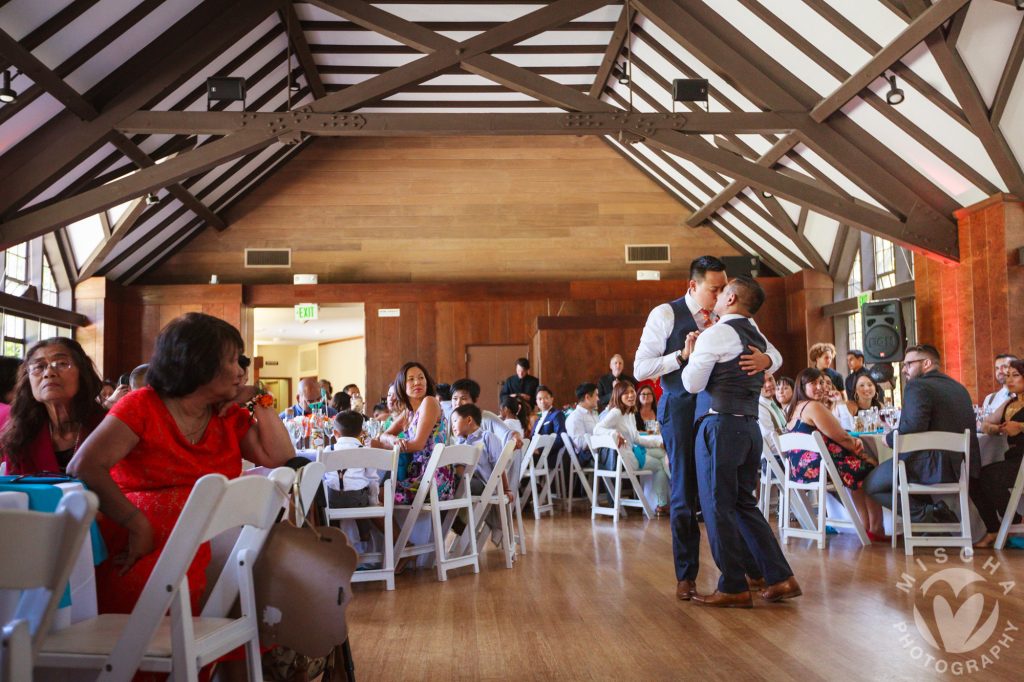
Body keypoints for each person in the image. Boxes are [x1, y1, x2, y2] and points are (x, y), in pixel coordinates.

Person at [68, 312, 295, 615]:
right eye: (233, 359)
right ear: (199, 363)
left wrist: (260, 396)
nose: (242, 370)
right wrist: (136, 525)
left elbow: (279, 456)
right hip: (143, 543)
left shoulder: (224, 415)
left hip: (213, 542)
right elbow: (84, 465)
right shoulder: (142, 406)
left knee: (262, 582)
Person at [634, 255, 777, 601]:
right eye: (715, 290)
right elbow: (641, 369)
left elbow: (772, 351)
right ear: (692, 286)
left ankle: (747, 572)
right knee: (684, 491)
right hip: (681, 407)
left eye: (724, 289)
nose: (721, 296)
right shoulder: (665, 314)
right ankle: (687, 576)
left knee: (725, 493)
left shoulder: (731, 318)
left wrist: (768, 360)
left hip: (719, 414)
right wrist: (681, 357)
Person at [681, 275, 799, 607]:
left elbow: (692, 384)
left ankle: (732, 585)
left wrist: (692, 353)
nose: (716, 297)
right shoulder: (756, 334)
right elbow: (775, 356)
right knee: (744, 504)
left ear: (732, 299)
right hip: (749, 427)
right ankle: (781, 577)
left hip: (719, 426)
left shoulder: (716, 334)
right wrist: (769, 361)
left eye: (722, 293)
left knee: (717, 507)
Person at [862, 345, 993, 532]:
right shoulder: (958, 387)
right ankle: (931, 518)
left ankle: (934, 517)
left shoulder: (917, 386)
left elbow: (914, 426)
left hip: (930, 465)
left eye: (908, 364)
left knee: (871, 485)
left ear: (927, 363)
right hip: (962, 464)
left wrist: (889, 439)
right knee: (900, 474)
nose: (904, 369)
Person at [784, 368, 884, 540]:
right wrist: (857, 448)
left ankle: (866, 526)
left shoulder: (794, 408)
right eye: (813, 383)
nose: (820, 387)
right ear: (802, 386)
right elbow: (842, 437)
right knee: (871, 468)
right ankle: (876, 528)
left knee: (858, 470)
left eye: (821, 382)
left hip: (798, 470)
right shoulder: (813, 406)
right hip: (819, 468)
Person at [0, 338, 106, 475]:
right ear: (28, 380)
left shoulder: (108, 426)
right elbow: (13, 492)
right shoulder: (21, 435)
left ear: (82, 372)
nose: (49, 373)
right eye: (39, 367)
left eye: (61, 363)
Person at [373, 362, 451, 505]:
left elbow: (418, 445)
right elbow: (383, 435)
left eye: (421, 378)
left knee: (376, 493)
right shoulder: (408, 413)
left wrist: (391, 442)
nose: (417, 382)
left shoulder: (429, 402)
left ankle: (397, 529)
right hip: (419, 475)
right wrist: (393, 439)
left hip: (432, 479)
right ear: (402, 385)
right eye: (411, 379)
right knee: (375, 488)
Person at [594, 381, 670, 514]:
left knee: (663, 453)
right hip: (627, 460)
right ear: (618, 395)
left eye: (632, 392)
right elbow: (597, 429)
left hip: (631, 454)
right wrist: (613, 433)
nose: (631, 395)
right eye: (626, 393)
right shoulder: (616, 412)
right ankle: (666, 502)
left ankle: (665, 502)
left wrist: (658, 443)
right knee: (660, 464)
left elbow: (636, 439)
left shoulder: (630, 413)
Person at [977, 358, 1024, 547]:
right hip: (1014, 458)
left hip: (1022, 460)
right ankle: (996, 528)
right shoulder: (1009, 403)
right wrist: (996, 429)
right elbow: (984, 422)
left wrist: (1020, 426)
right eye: (1007, 376)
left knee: (988, 476)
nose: (1009, 380)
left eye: (1015, 376)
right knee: (976, 476)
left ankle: (1013, 521)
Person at [451, 403, 511, 543]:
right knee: (449, 483)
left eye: (455, 420)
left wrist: (506, 488)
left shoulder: (487, 437)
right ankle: (456, 522)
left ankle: (456, 522)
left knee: (448, 484)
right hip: (468, 483)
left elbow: (499, 465)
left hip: (484, 485)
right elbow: (460, 472)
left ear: (469, 420)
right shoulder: (460, 442)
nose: (452, 425)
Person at [323, 410, 378, 522]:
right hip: (357, 499)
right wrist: (374, 501)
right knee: (363, 496)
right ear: (361, 433)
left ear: (335, 433)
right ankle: (364, 533)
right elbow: (372, 479)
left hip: (332, 498)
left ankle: (334, 531)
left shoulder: (328, 450)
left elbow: (324, 476)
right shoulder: (366, 452)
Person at [451, 378, 520, 447]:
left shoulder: (486, 417)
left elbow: (507, 433)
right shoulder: (450, 420)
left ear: (475, 399)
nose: (458, 403)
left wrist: (515, 436)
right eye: (455, 398)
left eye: (463, 398)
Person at [530, 385, 567, 467]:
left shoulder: (557, 415)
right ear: (536, 402)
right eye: (540, 399)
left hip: (547, 456)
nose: (543, 401)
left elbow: (560, 439)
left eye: (546, 398)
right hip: (534, 455)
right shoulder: (539, 418)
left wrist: (540, 450)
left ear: (552, 399)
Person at [565, 382, 599, 465]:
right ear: (587, 397)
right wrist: (601, 439)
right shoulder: (575, 417)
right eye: (596, 395)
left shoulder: (595, 414)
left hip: (598, 453)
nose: (598, 399)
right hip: (586, 457)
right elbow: (580, 444)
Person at [758, 373, 787, 437]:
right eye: (762, 382)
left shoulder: (775, 403)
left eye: (770, 379)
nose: (769, 384)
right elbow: (770, 439)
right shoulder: (760, 408)